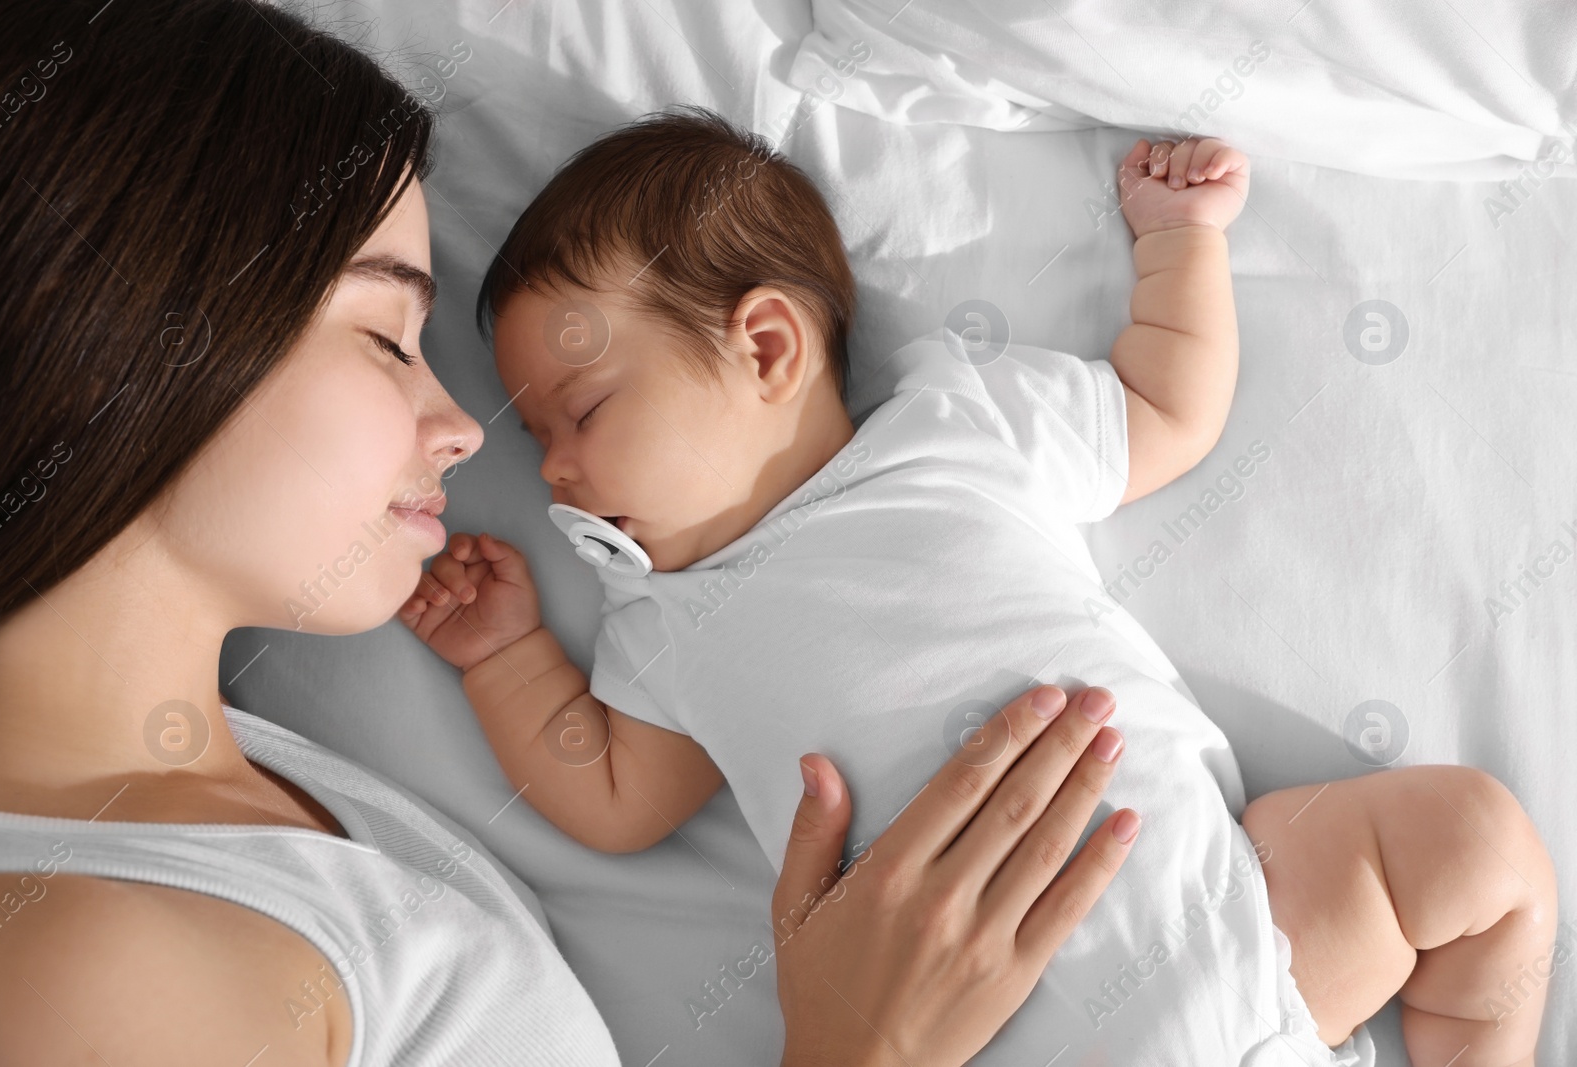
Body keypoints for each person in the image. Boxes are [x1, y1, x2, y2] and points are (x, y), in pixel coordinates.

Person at [0, 2, 1137, 1064]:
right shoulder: (89, 976)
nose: (462, 431)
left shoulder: (211, 782)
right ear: (124, 332)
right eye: (389, 337)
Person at [411, 108, 1558, 1065]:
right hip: (982, 1029)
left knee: (1475, 845)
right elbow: (616, 798)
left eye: (586, 410)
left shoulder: (955, 428)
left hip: (1232, 943)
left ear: (764, 346)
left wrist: (1177, 242)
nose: (554, 469)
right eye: (540, 440)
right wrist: (506, 656)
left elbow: (1162, 407)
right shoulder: (660, 615)